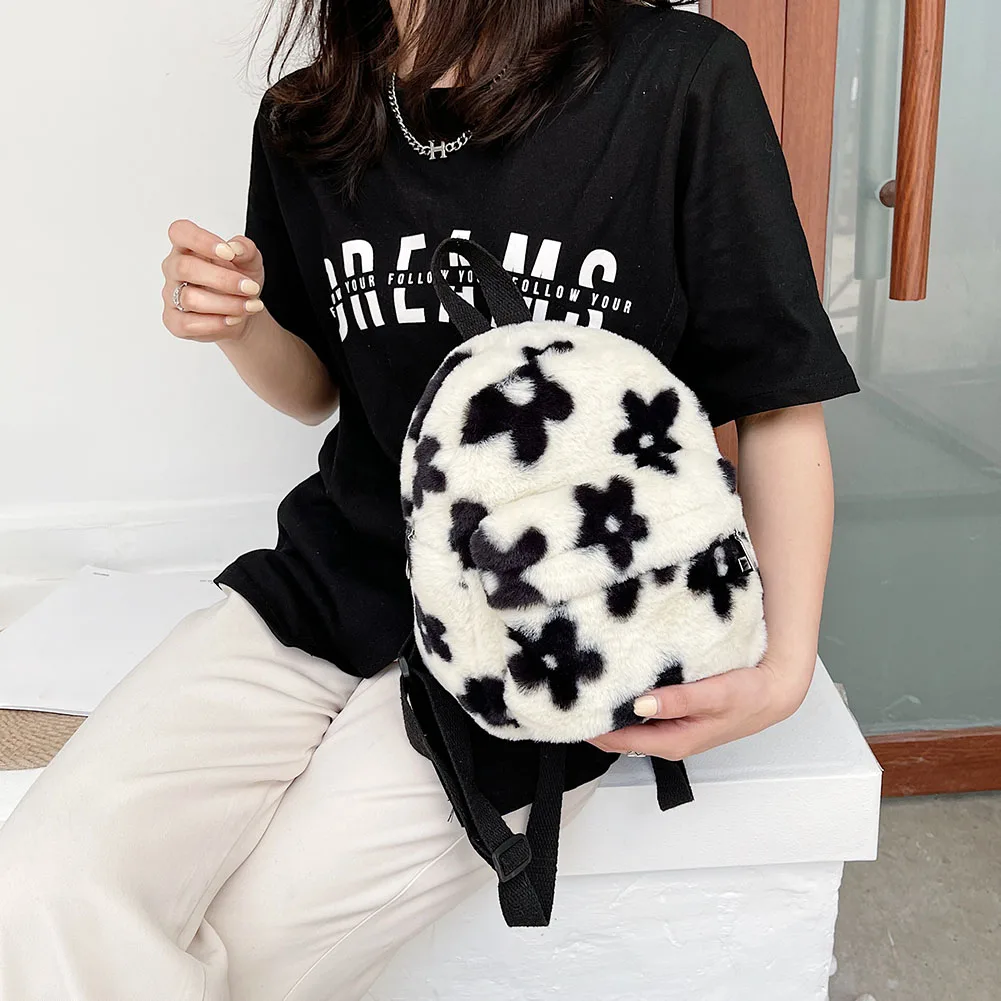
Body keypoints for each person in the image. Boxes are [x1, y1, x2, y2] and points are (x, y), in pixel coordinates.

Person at [0, 1, 859, 998]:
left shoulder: (673, 78)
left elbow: (774, 398)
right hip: (333, 579)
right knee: (39, 887)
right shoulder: (309, 114)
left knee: (242, 949)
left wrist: (783, 668)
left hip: (547, 626)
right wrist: (240, 323)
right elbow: (317, 389)